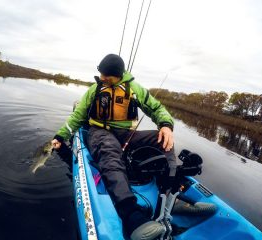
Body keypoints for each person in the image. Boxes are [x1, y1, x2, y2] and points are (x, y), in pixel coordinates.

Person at [52, 54, 177, 240]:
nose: (102, 78)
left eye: (106, 75)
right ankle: (131, 214)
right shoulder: (95, 90)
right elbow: (77, 116)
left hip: (126, 134)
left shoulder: (134, 89)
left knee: (162, 139)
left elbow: (156, 108)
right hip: (99, 132)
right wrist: (61, 136)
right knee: (110, 154)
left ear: (118, 75)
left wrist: (166, 125)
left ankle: (171, 192)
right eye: (100, 73)